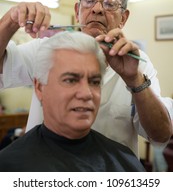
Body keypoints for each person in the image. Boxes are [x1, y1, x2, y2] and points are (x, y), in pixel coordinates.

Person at [0, 0, 172, 157]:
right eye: (89, 1)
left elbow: (161, 135)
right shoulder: (46, 50)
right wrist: (10, 21)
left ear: (123, 17)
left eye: (109, 3)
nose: (97, 9)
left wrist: (134, 80)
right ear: (77, 10)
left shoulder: (138, 64)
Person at [0, 31, 145, 172]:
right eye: (70, 80)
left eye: (94, 82)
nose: (86, 93)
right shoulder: (9, 167)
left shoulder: (125, 162)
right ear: (39, 88)